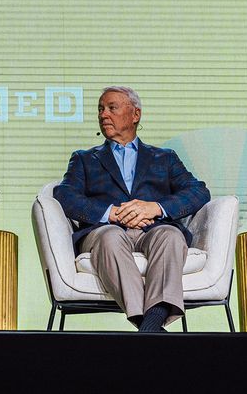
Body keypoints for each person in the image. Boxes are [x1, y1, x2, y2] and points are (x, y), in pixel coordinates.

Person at [53, 86, 210, 332]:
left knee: (170, 235)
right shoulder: (84, 158)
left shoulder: (165, 157)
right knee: (111, 236)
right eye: (100, 109)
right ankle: (149, 326)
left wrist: (155, 208)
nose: (103, 114)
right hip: (104, 231)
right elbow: (64, 195)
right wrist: (110, 213)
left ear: (135, 114)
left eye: (111, 108)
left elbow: (198, 191)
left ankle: (152, 320)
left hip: (153, 228)